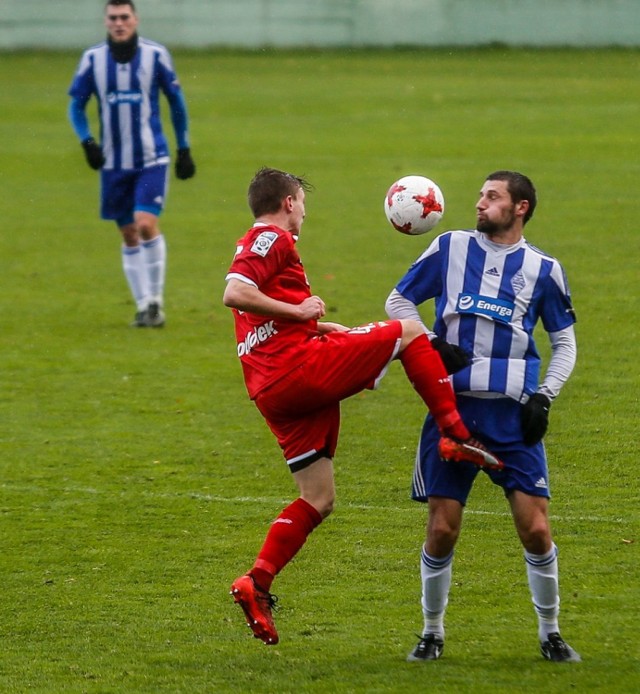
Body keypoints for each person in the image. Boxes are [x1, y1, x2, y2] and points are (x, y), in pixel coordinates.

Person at [224, 167, 503, 646]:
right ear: (289, 202)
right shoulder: (271, 239)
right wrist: (302, 312)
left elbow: (258, 316)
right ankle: (454, 432)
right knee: (410, 331)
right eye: (302, 202)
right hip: (297, 372)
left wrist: (317, 328)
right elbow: (235, 293)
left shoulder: (265, 244)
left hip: (272, 389)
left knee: (318, 497)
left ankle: (258, 581)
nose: (304, 212)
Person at [386, 171, 580, 663]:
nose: (479, 203)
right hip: (454, 412)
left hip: (514, 420)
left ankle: (551, 632)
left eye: (491, 197)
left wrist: (545, 398)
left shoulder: (544, 269)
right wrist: (431, 343)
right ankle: (431, 633)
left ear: (520, 208)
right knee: (442, 528)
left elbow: (564, 343)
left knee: (536, 528)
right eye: (480, 195)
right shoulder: (449, 248)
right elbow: (398, 299)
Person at [68, 0, 196, 327]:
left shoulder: (156, 55)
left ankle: (155, 301)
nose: (119, 23)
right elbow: (76, 106)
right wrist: (87, 142)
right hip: (113, 164)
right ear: (106, 21)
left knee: (145, 224)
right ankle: (142, 307)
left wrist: (184, 148)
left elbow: (176, 103)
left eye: (125, 17)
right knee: (128, 234)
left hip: (152, 158)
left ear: (135, 19)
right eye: (113, 18)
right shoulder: (92, 59)